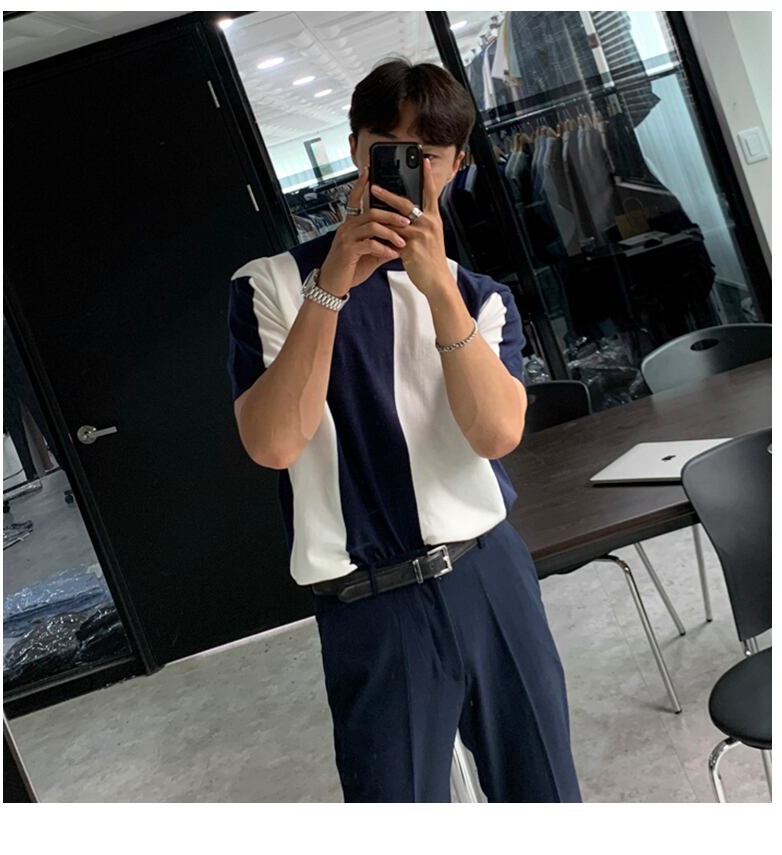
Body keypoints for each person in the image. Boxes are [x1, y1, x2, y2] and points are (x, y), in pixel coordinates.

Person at [227, 59, 582, 803]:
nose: (409, 167)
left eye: (430, 154)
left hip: (489, 574)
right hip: (367, 602)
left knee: (544, 794)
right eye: (390, 149)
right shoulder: (271, 285)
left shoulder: (481, 297)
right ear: (356, 150)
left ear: (455, 164)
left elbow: (496, 434)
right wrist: (331, 286)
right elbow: (273, 444)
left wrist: (438, 289)